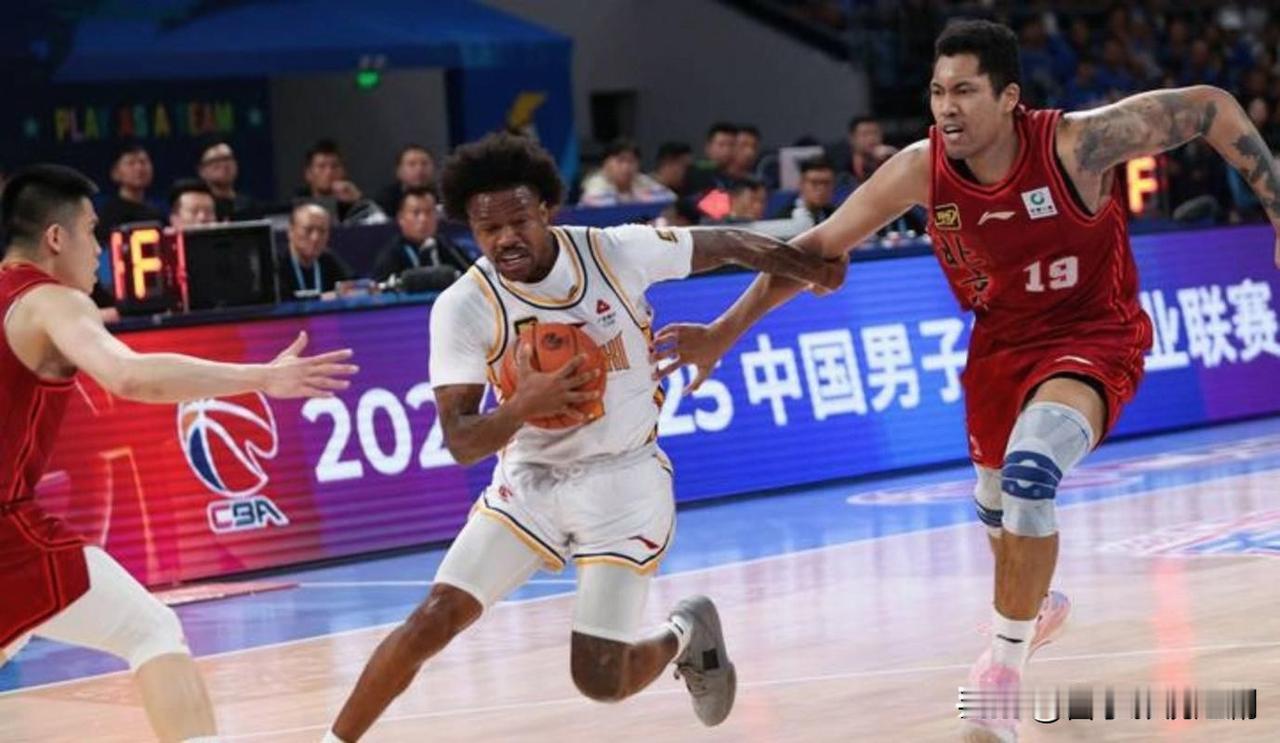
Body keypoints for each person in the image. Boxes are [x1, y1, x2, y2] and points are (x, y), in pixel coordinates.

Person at [648, 19, 1280, 742]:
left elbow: (1210, 107)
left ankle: (999, 677)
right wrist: (721, 331)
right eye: (937, 91)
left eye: (965, 91)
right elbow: (814, 249)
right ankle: (1036, 608)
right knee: (998, 509)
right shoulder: (921, 169)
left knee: (1031, 475)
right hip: (999, 351)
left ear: (1009, 98)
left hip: (1093, 335)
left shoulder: (1076, 143)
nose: (946, 107)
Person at [320, 133, 845, 743]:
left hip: (625, 479)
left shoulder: (612, 251)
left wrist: (812, 270)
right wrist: (523, 405)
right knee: (432, 619)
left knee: (601, 679)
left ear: (546, 209)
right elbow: (461, 442)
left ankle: (685, 634)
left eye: (519, 221)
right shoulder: (464, 306)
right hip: (530, 481)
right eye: (489, 230)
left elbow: (725, 242)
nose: (506, 239)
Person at [0, 164, 357, 743]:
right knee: (151, 630)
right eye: (92, 232)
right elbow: (129, 376)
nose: (101, 250)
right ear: (56, 238)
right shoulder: (52, 301)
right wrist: (259, 377)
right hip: (8, 530)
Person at [369, 186, 470, 283]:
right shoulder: (391, 255)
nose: (423, 219)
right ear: (401, 218)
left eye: (429, 212)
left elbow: (470, 275)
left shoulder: (448, 247)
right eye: (416, 213)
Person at [277, 202, 353, 300]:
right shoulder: (276, 263)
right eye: (308, 230)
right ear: (290, 231)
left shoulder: (328, 259)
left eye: (322, 231)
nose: (315, 238)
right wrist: (320, 298)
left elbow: (353, 287)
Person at [95, 143, 165, 243]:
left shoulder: (158, 214)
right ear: (115, 173)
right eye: (131, 163)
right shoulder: (107, 216)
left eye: (143, 162)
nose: (139, 168)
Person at [578, 138, 674, 206]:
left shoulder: (642, 181)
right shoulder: (595, 186)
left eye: (631, 161)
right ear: (605, 164)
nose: (626, 167)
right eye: (620, 161)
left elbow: (671, 199)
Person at [196, 139, 257, 221]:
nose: (224, 165)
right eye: (216, 161)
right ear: (201, 171)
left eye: (227, 159)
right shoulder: (201, 210)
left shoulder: (249, 206)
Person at [374, 144, 436, 216]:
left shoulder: (442, 197)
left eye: (424, 164)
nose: (419, 169)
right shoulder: (384, 201)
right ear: (399, 171)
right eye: (412, 164)